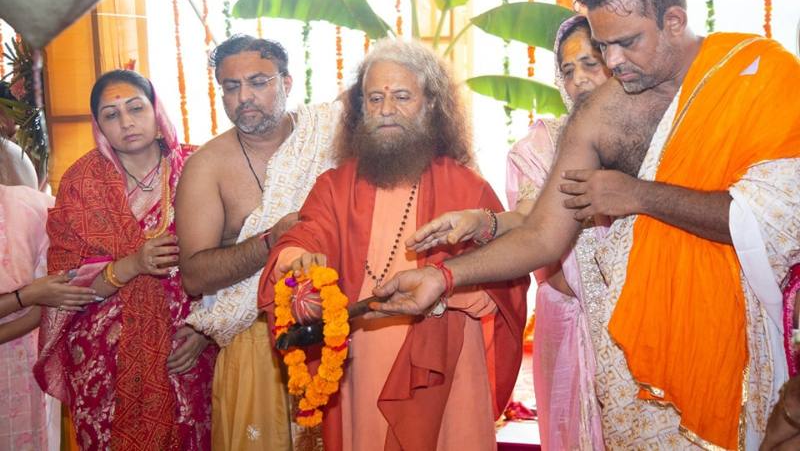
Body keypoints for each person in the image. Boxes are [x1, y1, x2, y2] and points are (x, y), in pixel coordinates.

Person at [375, 0, 800, 450]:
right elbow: (542, 235)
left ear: (673, 21)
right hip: (631, 362)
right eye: (603, 45)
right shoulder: (601, 113)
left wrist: (638, 195)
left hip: (736, 343)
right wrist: (443, 276)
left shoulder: (758, 76)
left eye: (627, 42)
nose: (613, 61)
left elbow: (773, 222)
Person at [257, 39, 529, 451]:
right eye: (375, 98)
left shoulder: (467, 187)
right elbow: (305, 235)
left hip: (445, 364)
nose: (386, 109)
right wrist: (296, 261)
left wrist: (447, 293)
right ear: (361, 109)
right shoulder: (334, 186)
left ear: (430, 106)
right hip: (361, 359)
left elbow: (506, 282)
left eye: (402, 97)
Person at [408, 15, 611, 450]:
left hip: (647, 317)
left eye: (590, 64)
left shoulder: (651, 136)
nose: (579, 79)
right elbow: (532, 221)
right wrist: (483, 221)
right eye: (568, 70)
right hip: (572, 318)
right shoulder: (541, 147)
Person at [34, 69, 217, 450]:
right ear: (98, 126)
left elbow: (230, 257)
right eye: (111, 114)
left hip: (187, 347)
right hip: (106, 362)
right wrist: (132, 265)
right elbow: (66, 285)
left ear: (156, 110)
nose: (127, 122)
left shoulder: (199, 167)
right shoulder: (82, 183)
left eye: (136, 108)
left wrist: (207, 329)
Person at [176, 35, 341, 450]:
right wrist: (272, 241)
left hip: (337, 331)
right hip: (257, 344)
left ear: (287, 82)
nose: (244, 97)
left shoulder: (328, 135)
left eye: (258, 82)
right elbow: (194, 276)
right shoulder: (206, 167)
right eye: (231, 87)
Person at [0, 184, 97, 451]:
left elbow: (55, 294)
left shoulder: (29, 207)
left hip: (22, 367)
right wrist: (28, 295)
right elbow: (42, 296)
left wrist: (36, 298)